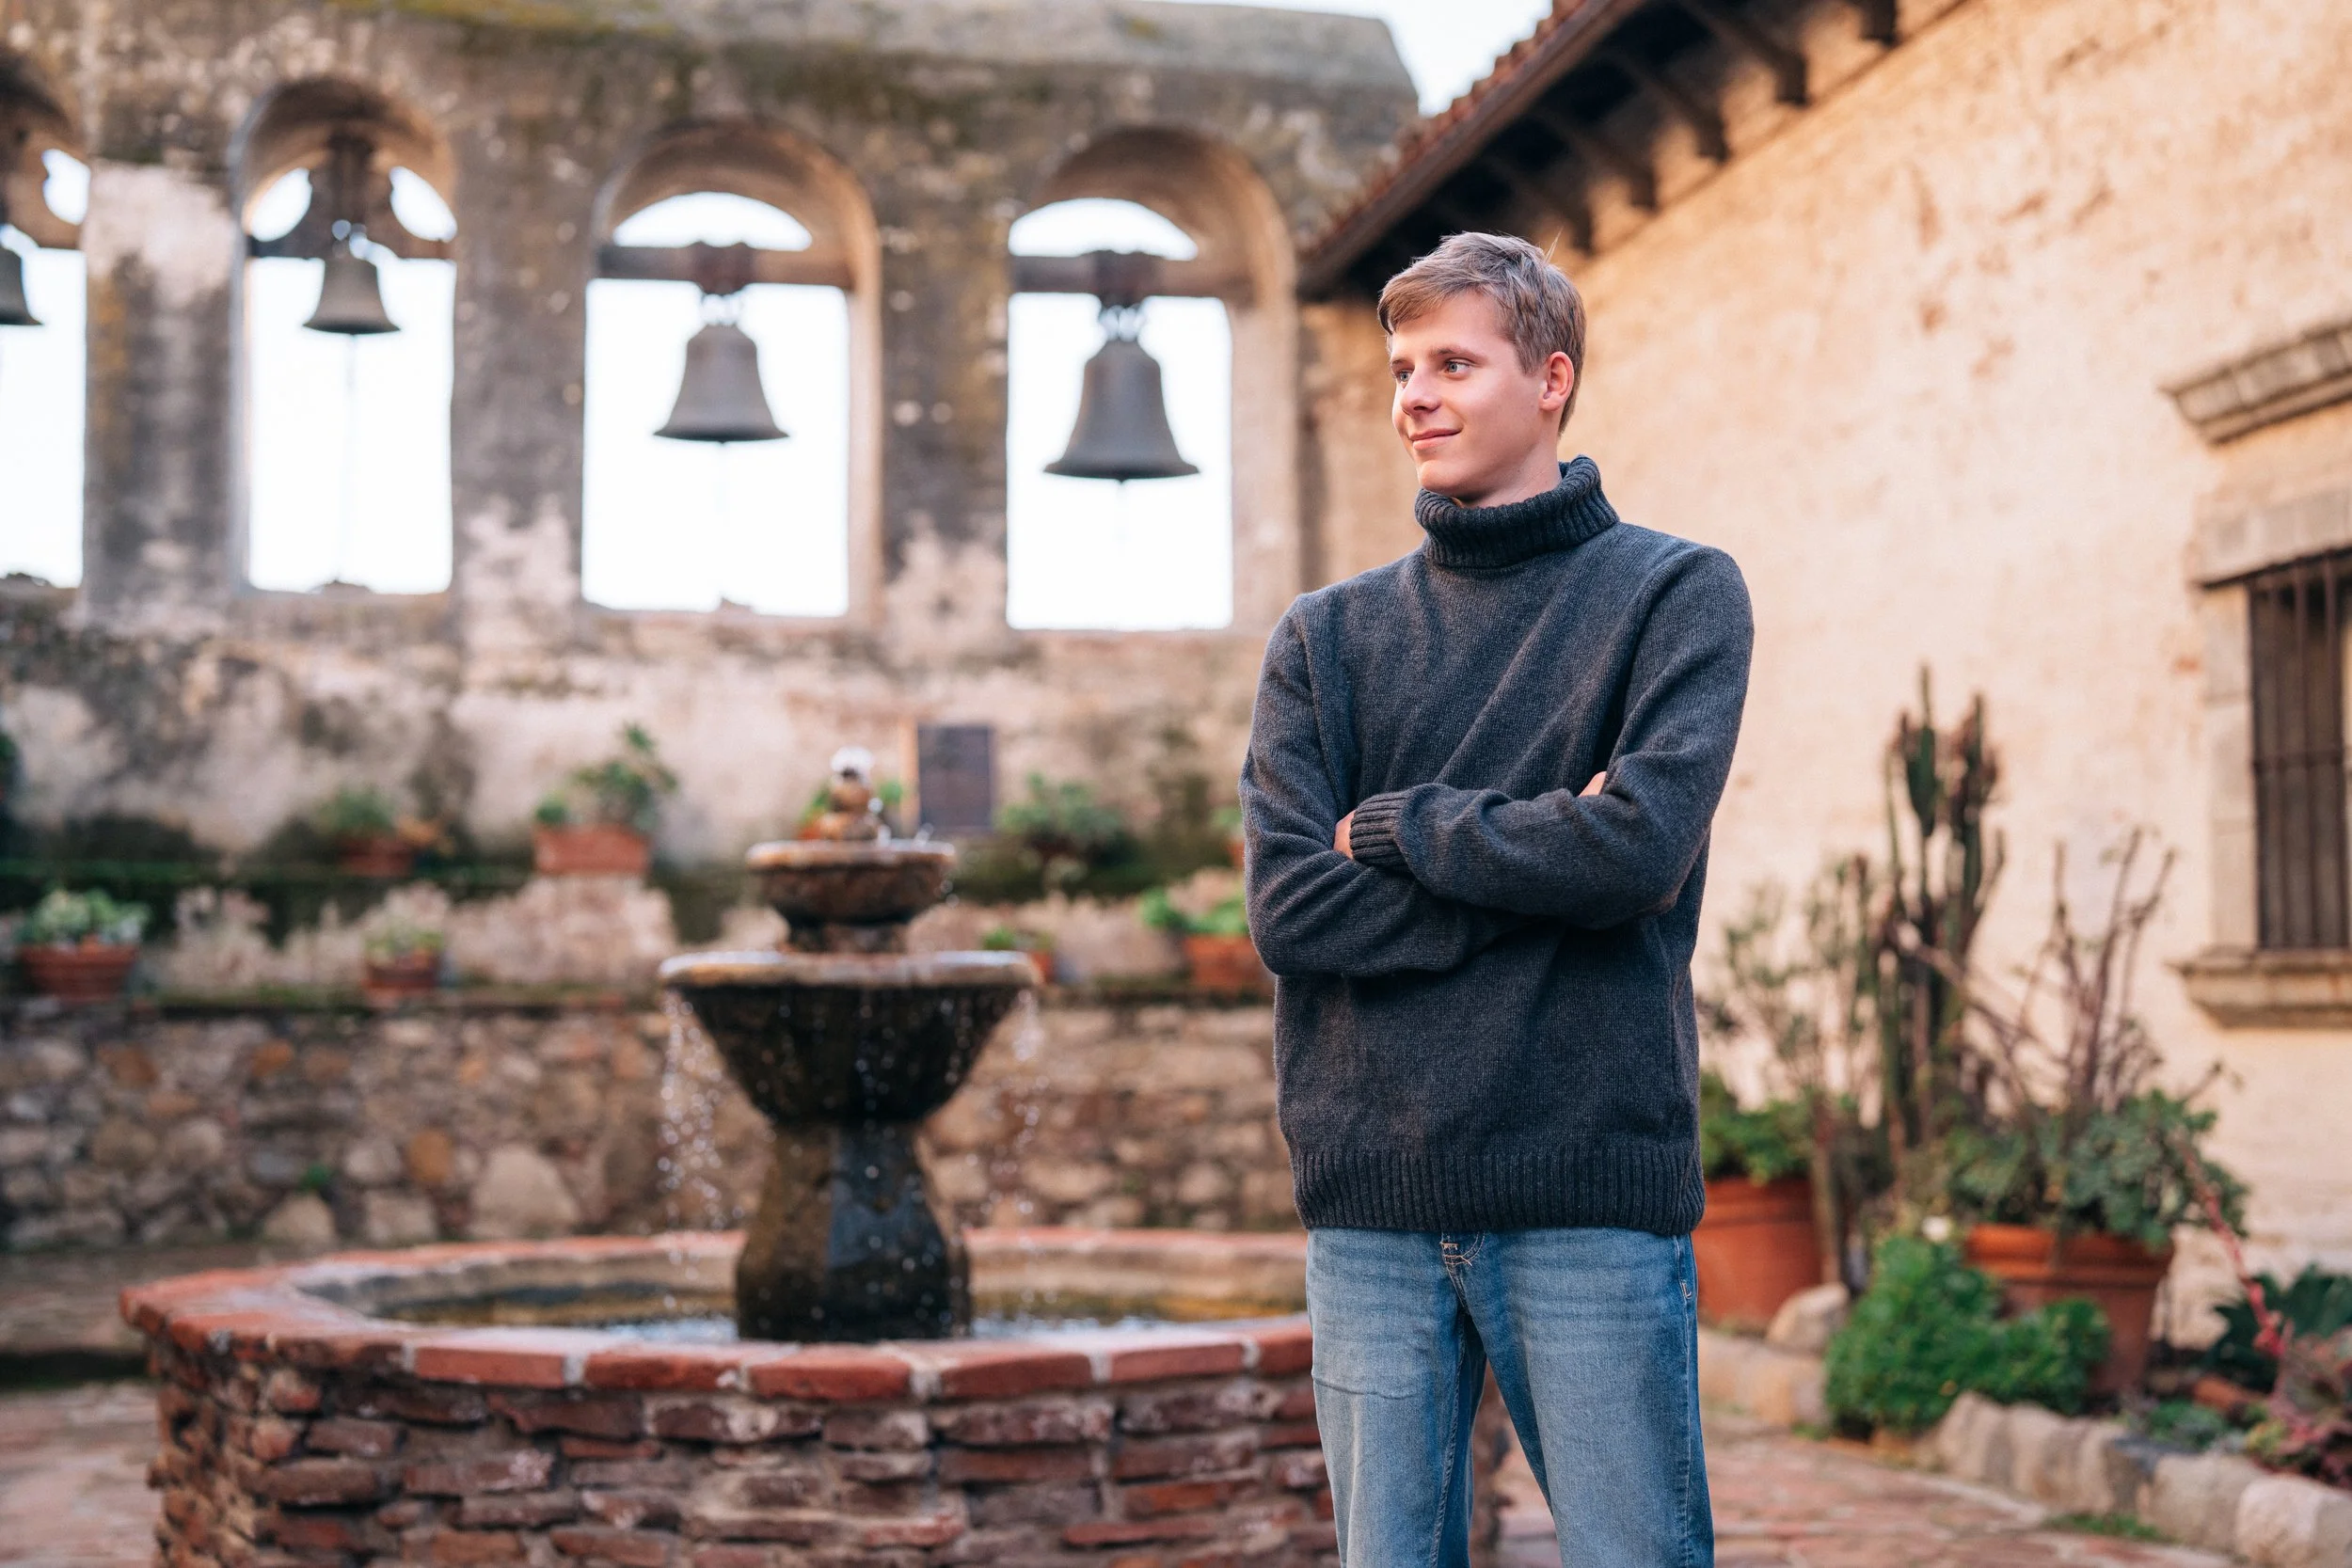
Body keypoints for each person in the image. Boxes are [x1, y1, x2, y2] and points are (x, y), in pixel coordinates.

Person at [1240, 231, 1753, 1567]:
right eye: (1403, 369)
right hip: (1371, 1194)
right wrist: (1552, 856)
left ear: (1552, 379)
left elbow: (1635, 854)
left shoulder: (1675, 593)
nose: (1415, 395)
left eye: (1453, 364)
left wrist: (1396, 827)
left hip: (1586, 1183)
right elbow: (1291, 910)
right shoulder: (1325, 638)